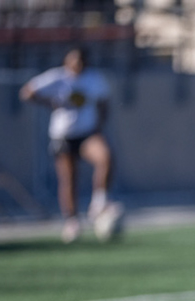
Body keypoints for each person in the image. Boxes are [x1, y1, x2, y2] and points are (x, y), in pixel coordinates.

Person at [20, 46, 123, 243]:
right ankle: (72, 221)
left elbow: (104, 103)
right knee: (68, 179)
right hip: (64, 135)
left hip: (87, 133)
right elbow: (27, 92)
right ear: (67, 61)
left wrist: (99, 125)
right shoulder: (56, 78)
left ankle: (98, 202)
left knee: (106, 156)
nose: (77, 64)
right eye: (74, 60)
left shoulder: (94, 79)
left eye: (81, 60)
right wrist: (50, 103)